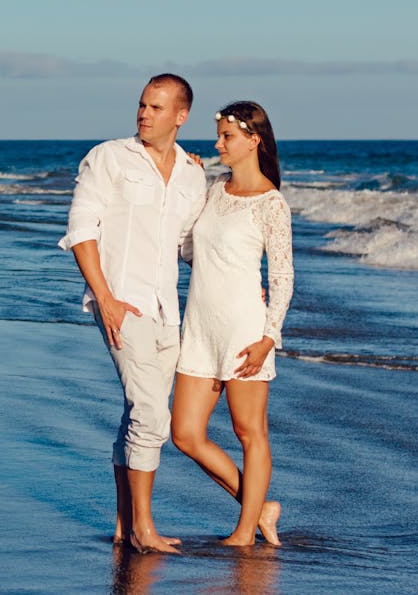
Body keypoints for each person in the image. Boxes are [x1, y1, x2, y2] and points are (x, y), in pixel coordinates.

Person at [59, 73, 207, 553]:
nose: (144, 114)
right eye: (142, 105)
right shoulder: (108, 158)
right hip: (122, 302)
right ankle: (144, 527)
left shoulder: (192, 173)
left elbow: (189, 247)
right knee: (150, 414)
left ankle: (124, 525)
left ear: (181, 116)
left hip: (168, 310)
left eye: (157, 107)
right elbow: (82, 229)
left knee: (135, 415)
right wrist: (105, 298)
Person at [171, 100, 293, 546]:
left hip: (245, 330)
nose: (218, 143)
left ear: (253, 140)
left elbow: (282, 276)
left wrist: (268, 337)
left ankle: (245, 531)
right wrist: (189, 182)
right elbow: (188, 250)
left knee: (249, 432)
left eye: (227, 136)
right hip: (199, 326)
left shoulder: (272, 204)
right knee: (184, 433)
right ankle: (261, 509)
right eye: (219, 135)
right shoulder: (214, 189)